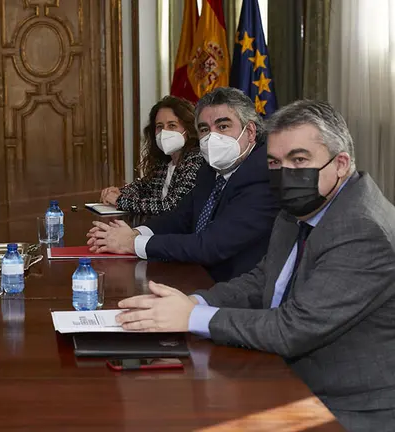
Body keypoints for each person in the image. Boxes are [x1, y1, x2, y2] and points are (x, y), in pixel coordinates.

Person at [114, 100, 395, 431]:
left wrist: (192, 318)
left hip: (345, 405)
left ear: (341, 163)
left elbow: (293, 328)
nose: (285, 174)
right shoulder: (301, 206)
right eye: (275, 162)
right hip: (285, 374)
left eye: (299, 160)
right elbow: (263, 279)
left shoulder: (362, 230)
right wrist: (194, 301)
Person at [88, 87, 279, 282]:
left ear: (250, 132)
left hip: (234, 288)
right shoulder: (210, 168)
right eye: (204, 129)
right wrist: (134, 233)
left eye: (223, 126)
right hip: (198, 275)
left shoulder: (263, 176)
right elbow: (180, 217)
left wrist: (132, 243)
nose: (212, 137)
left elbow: (210, 246)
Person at [99, 96, 203, 216]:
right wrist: (119, 192)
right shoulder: (165, 162)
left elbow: (172, 206)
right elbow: (143, 186)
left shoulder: (196, 159)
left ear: (189, 129)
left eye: (172, 125)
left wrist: (120, 200)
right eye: (159, 126)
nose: (164, 132)